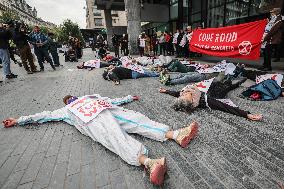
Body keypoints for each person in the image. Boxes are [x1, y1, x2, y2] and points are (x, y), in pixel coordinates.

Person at [2, 94, 199, 186]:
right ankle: (149, 163)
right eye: (68, 100)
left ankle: (176, 134)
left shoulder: (91, 96)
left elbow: (113, 100)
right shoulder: (67, 111)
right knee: (115, 138)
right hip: (93, 120)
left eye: (70, 98)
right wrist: (19, 120)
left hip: (108, 110)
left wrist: (130, 96)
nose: (70, 100)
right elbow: (44, 115)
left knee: (137, 120)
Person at [159, 77, 263, 121]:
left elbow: (177, 93)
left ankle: (233, 75)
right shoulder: (203, 101)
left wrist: (166, 91)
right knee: (228, 86)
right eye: (187, 96)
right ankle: (239, 81)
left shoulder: (183, 95)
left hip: (211, 85)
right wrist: (246, 114)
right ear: (192, 101)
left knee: (222, 79)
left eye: (183, 95)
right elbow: (224, 107)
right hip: (217, 92)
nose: (185, 94)